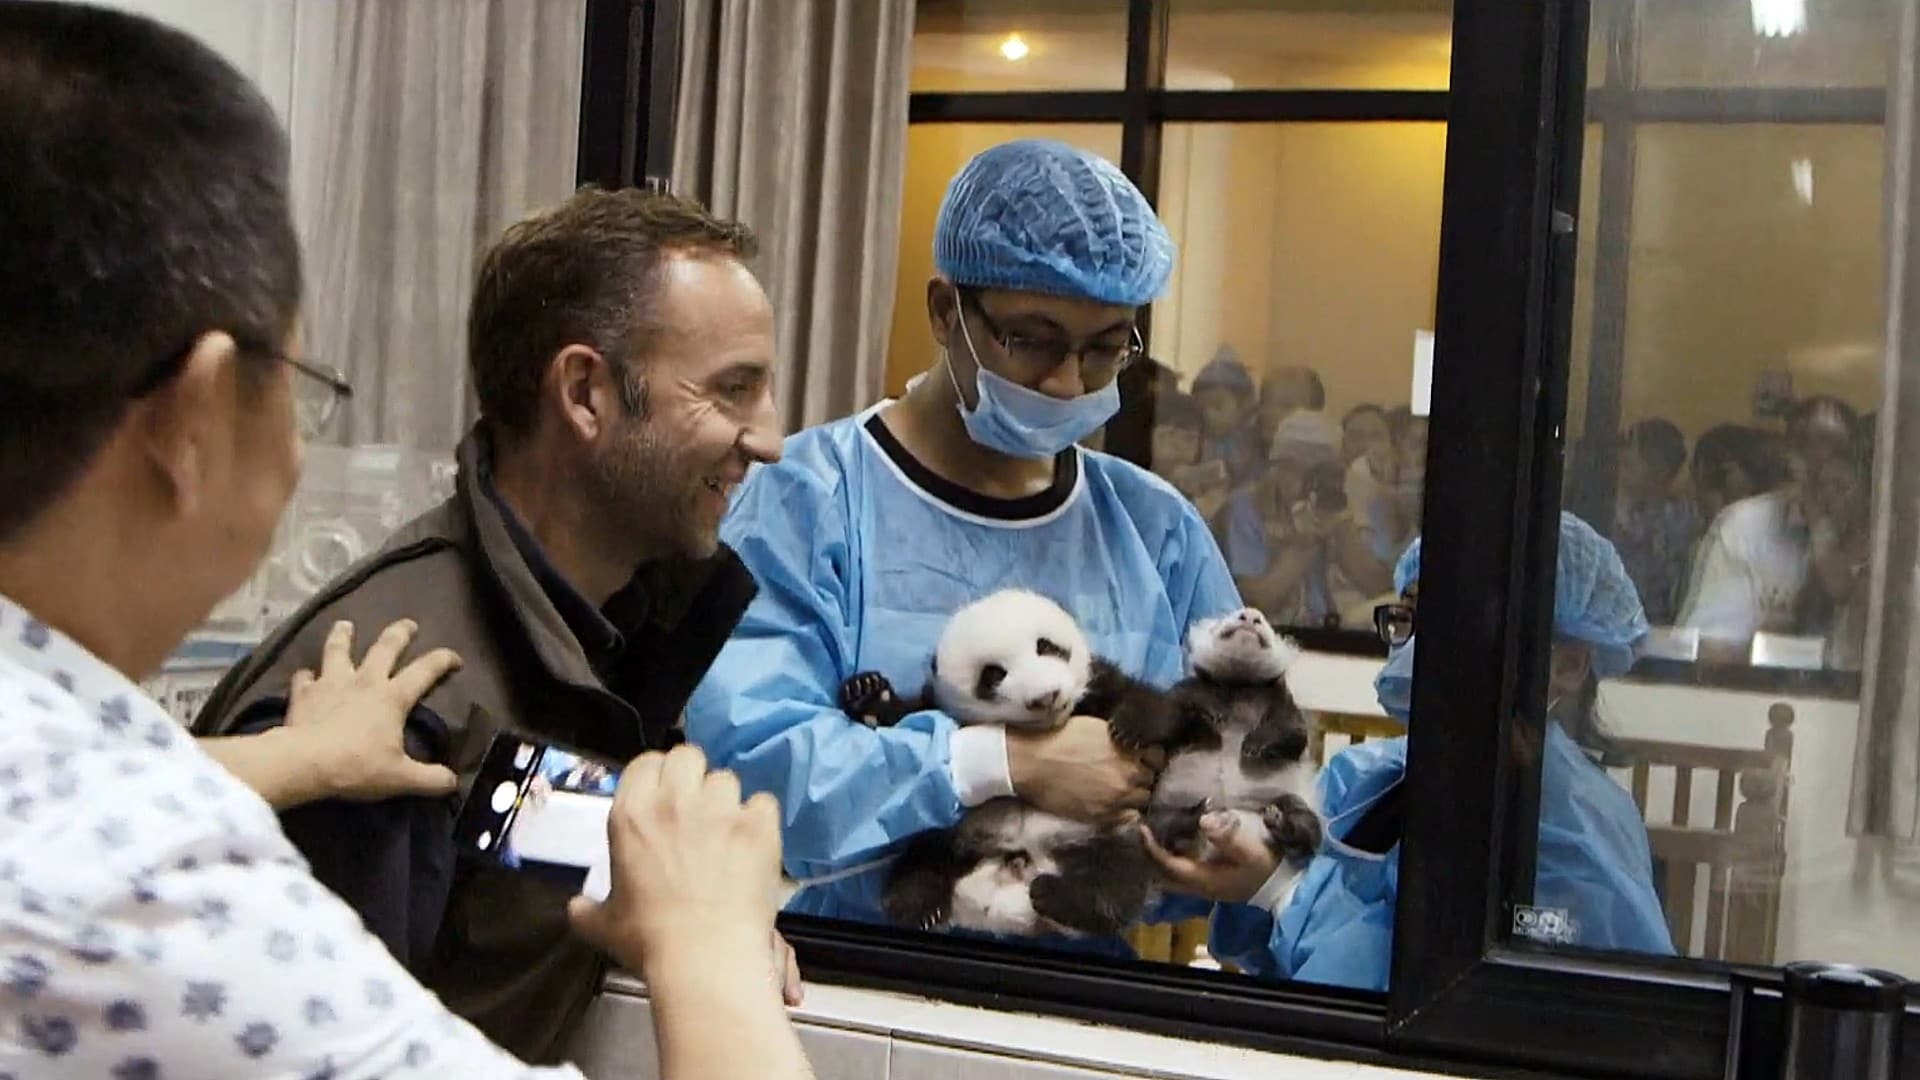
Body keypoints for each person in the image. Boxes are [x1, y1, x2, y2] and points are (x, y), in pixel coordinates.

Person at [0, 4, 809, 1077]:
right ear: (195, 416)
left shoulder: (617, 628)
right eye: (300, 382)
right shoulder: (168, 883)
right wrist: (709, 944)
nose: (771, 439)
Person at [190, 184, 790, 1058]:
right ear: (585, 393)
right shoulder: (393, 702)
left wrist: (701, 910)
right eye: (733, 391)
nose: (770, 439)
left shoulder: (617, 633)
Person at [683, 138, 1241, 945]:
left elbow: (1228, 785)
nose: (1068, 381)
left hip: (1087, 996)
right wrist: (998, 764)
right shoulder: (805, 503)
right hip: (853, 977)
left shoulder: (1154, 530)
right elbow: (753, 772)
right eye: (1033, 339)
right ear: (946, 311)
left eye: (1105, 347)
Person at [1144, 513, 1674, 990]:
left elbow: (1444, 1005)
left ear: (1569, 665)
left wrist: (1280, 890)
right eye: (1410, 616)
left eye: (1461, 619)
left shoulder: (1570, 832)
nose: (1421, 646)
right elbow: (1258, 934)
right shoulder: (1365, 777)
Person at [1678, 396, 1869, 667]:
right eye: (1810, 453)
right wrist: (1764, 645)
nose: (1824, 465)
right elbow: (1704, 653)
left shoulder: (1885, 537)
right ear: (1792, 461)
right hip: (1757, 687)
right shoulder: (1745, 527)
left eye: (1839, 456)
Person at [1611, 418, 1703, 626]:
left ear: (1659, 469)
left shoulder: (1684, 517)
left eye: (1628, 465)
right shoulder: (1605, 509)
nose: (1619, 473)